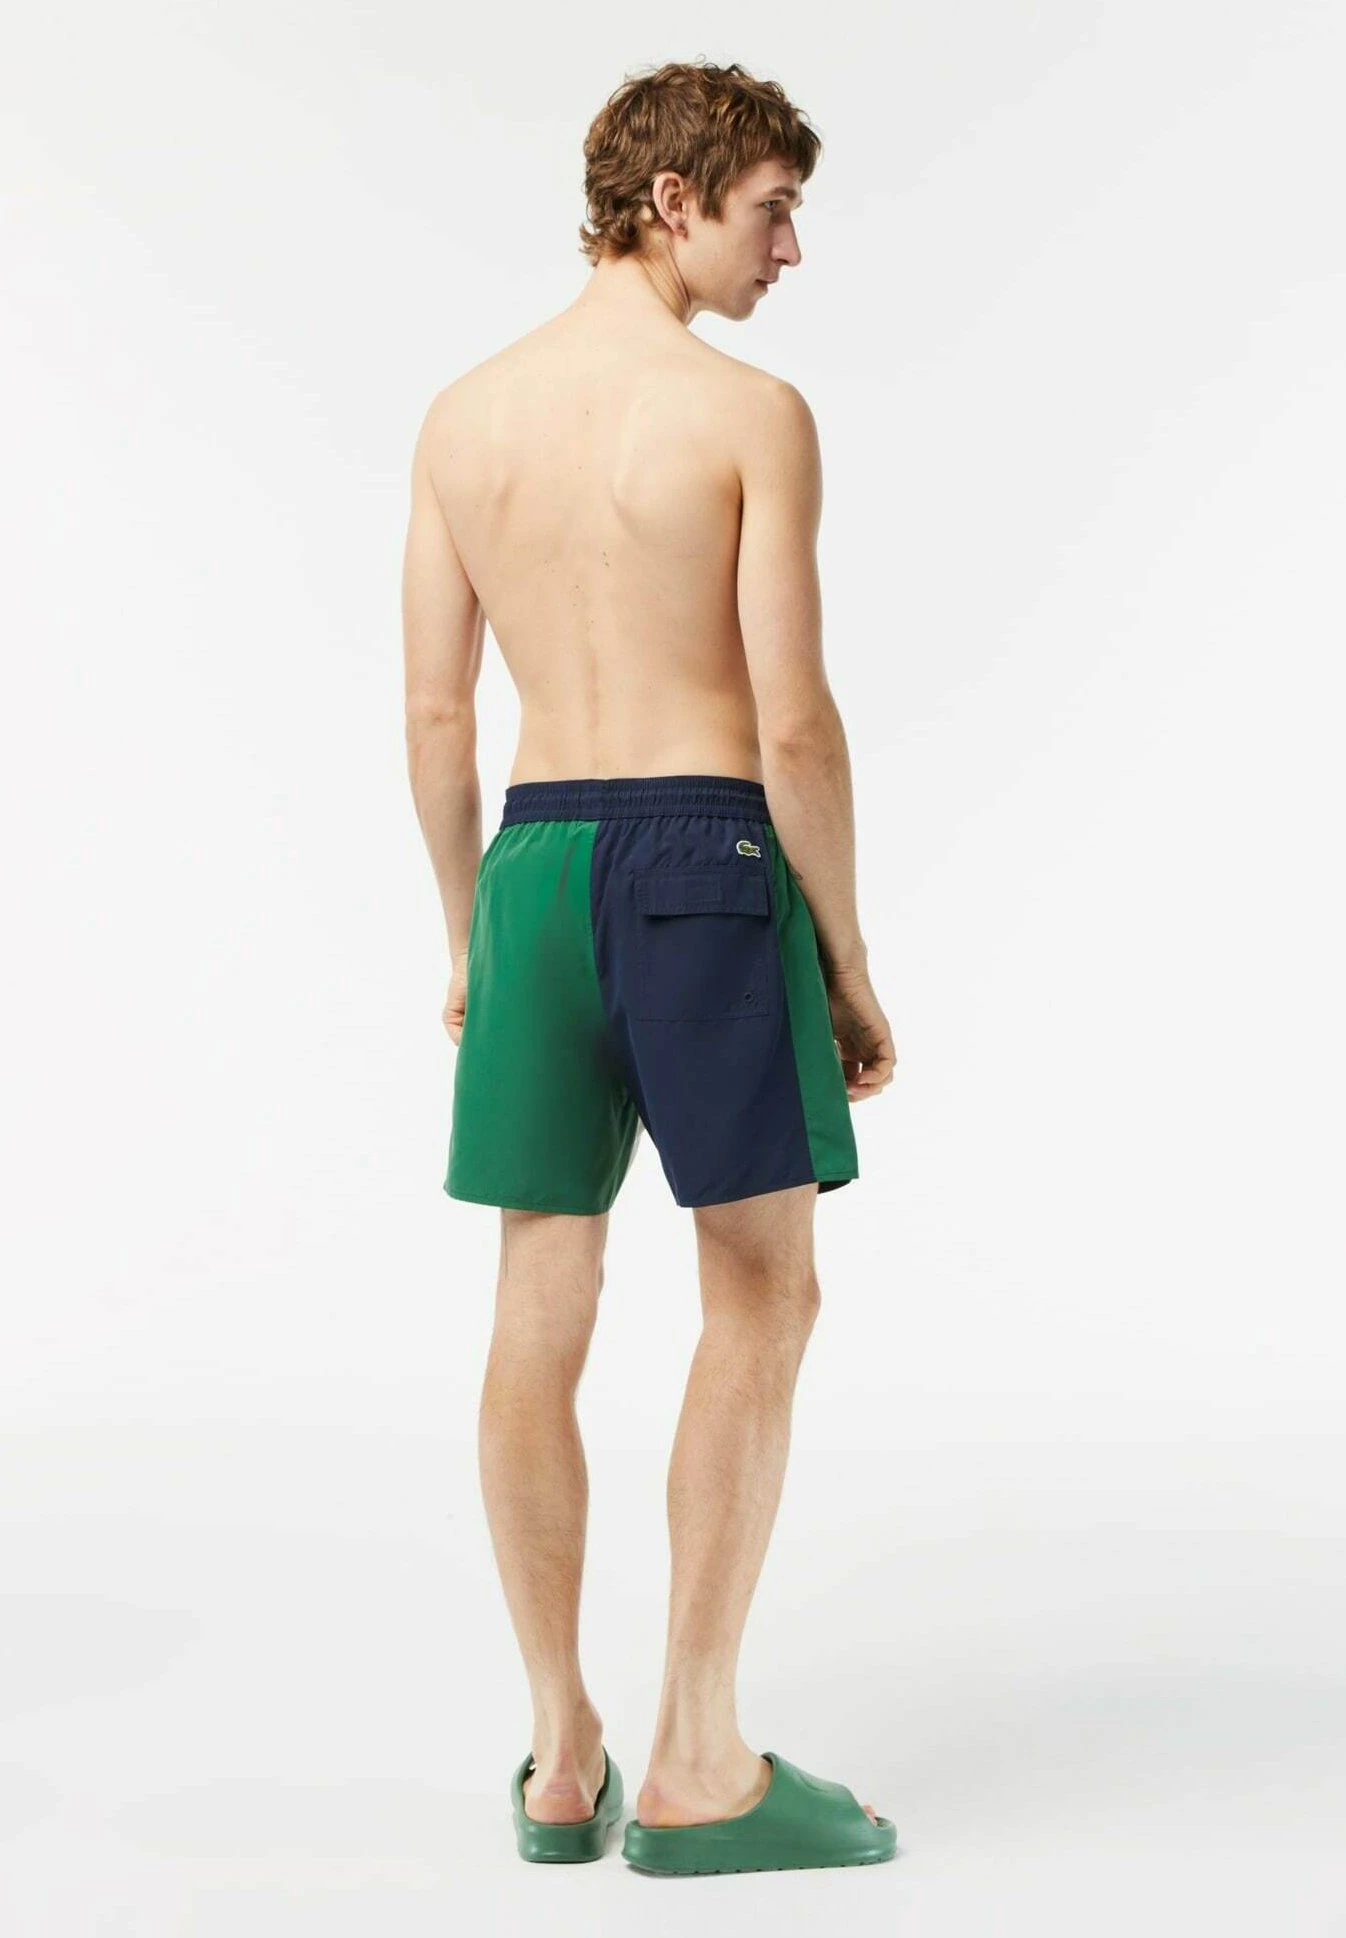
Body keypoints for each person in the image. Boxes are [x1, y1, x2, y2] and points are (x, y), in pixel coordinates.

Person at [402, 59, 898, 1875]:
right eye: (771, 208)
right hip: (701, 854)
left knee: (538, 1301)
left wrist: (468, 931)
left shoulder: (464, 418)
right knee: (762, 1288)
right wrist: (845, 954)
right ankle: (695, 1756)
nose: (790, 249)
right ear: (670, 200)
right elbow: (793, 719)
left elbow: (437, 716)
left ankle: (560, 1750)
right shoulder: (747, 414)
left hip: (534, 865)